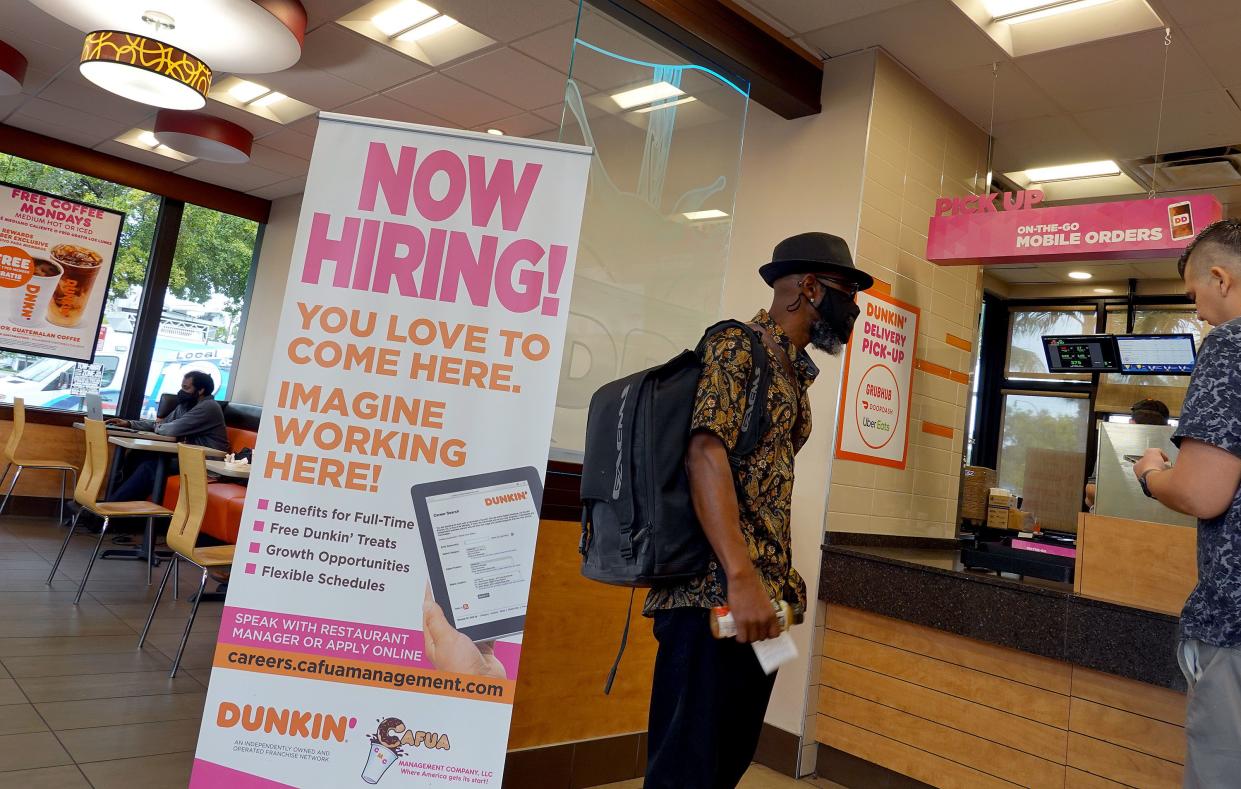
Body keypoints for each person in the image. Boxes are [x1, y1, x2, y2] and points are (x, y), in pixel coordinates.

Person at [641, 232, 871, 789]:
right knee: (685, 768)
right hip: (713, 595)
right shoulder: (737, 345)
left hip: (764, 599)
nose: (854, 309)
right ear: (808, 288)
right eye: (845, 292)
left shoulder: (793, 370)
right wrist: (741, 578)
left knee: (729, 754)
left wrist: (774, 585)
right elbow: (704, 452)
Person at [1132, 219, 1241, 788]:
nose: (1198, 313)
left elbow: (1203, 491)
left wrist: (1153, 475)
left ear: (1221, 279)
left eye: (1196, 295)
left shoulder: (1231, 346)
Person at [106, 371, 229, 502]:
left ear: (200, 390)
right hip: (188, 457)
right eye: (182, 386)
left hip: (206, 465)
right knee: (136, 455)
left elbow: (172, 429)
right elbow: (162, 424)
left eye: (186, 388)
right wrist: (129, 423)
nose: (181, 391)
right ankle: (117, 506)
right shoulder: (187, 405)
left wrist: (159, 427)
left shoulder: (209, 407)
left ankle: (111, 509)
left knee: (151, 468)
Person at [1084, 399, 1170, 510]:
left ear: (1131, 423)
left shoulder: (1114, 449)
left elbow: (1090, 494)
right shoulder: (1177, 452)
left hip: (1112, 518)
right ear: (1168, 427)